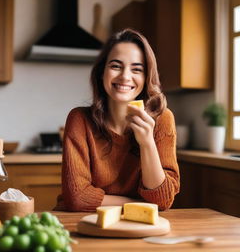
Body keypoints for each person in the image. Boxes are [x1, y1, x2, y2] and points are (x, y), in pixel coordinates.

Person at [55, 28, 180, 212]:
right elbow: (78, 198)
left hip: (137, 225)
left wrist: (147, 143)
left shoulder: (162, 120)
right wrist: (142, 205)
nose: (125, 76)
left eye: (137, 69)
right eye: (116, 66)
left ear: (146, 77)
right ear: (101, 72)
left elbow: (162, 200)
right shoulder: (80, 119)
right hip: (79, 221)